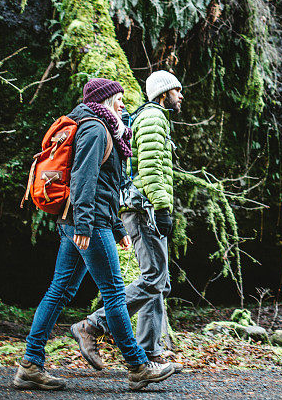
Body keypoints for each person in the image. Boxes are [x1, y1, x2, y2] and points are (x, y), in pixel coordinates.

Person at [13, 78, 176, 391]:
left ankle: (30, 365)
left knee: (59, 290)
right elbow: (83, 179)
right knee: (114, 292)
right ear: (105, 100)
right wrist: (88, 226)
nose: (124, 104)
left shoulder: (102, 128)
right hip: (87, 224)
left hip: (88, 221)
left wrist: (116, 227)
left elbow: (106, 185)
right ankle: (138, 365)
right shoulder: (95, 128)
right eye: (119, 99)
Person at [71, 71, 183, 369]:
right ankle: (93, 325)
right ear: (163, 94)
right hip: (143, 208)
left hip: (143, 207)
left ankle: (149, 350)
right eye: (177, 91)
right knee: (153, 278)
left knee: (160, 281)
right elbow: (149, 167)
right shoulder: (153, 118)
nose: (180, 96)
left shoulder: (156, 119)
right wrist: (161, 206)